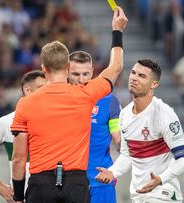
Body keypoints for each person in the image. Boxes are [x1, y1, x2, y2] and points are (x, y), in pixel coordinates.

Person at [10, 6, 127, 203]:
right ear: (67, 67)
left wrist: (18, 196)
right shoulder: (85, 94)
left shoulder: (25, 104)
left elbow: (19, 158)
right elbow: (115, 68)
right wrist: (117, 30)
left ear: (43, 68)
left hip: (40, 184)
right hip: (76, 183)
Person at [96, 59, 184, 203]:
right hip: (138, 194)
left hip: (162, 194)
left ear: (154, 84)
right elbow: (127, 155)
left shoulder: (164, 114)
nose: (134, 78)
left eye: (142, 76)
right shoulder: (125, 114)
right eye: (133, 73)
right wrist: (113, 172)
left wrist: (160, 179)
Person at [0, 70, 46, 203]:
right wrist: (0, 186)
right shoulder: (6, 122)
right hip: (20, 197)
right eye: (41, 88)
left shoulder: (54, 119)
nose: (46, 92)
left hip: (50, 195)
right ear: (27, 90)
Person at [68, 50, 121, 203]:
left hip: (101, 179)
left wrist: (124, 146)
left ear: (92, 72)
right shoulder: (62, 99)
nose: (81, 79)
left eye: (85, 74)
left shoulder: (109, 101)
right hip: (70, 182)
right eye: (76, 74)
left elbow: (116, 135)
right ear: (67, 72)